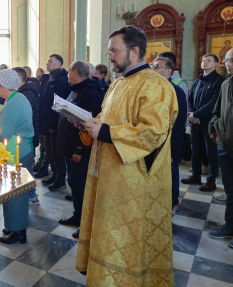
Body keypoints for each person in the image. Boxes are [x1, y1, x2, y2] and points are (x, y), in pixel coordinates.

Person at [75, 26, 178, 285]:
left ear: (134, 51)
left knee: (125, 240)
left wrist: (105, 131)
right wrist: (87, 123)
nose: (109, 56)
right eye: (109, 51)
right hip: (108, 176)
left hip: (133, 183)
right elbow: (107, 120)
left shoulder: (156, 86)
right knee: (106, 233)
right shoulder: (117, 84)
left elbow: (153, 133)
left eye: (114, 50)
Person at [0, 69, 35, 244]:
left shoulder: (13, 104)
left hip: (17, 153)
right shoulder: (17, 98)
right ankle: (14, 226)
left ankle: (18, 231)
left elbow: (3, 134)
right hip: (22, 150)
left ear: (5, 86)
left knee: (14, 192)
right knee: (15, 191)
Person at [57, 60, 103, 239]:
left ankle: (86, 223)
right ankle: (77, 215)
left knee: (82, 186)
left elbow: (90, 125)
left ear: (75, 72)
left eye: (69, 72)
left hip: (80, 149)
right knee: (74, 184)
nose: (68, 75)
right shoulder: (77, 89)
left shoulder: (91, 92)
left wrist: (79, 150)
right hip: (70, 147)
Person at [182, 53, 224, 191]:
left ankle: (211, 180)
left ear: (216, 64)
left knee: (211, 152)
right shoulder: (197, 81)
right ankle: (196, 176)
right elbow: (190, 99)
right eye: (203, 60)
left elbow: (214, 102)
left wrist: (196, 114)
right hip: (195, 121)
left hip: (209, 122)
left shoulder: (219, 81)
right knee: (196, 151)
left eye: (208, 61)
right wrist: (191, 113)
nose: (204, 63)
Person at [152, 56, 187, 208]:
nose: (153, 68)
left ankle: (172, 200)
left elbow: (179, 122)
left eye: (157, 66)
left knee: (170, 171)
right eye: (153, 65)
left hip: (170, 140)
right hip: (154, 139)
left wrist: (173, 149)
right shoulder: (153, 88)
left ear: (168, 71)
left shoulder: (176, 90)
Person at [208, 48, 233, 249]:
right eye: (226, 60)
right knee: (230, 189)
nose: (226, 64)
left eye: (230, 60)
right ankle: (229, 225)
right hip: (225, 145)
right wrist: (213, 129)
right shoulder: (225, 84)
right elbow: (216, 111)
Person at [39, 54, 71, 191]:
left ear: (58, 64)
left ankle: (60, 178)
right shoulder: (50, 78)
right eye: (48, 61)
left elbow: (59, 104)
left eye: (50, 61)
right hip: (47, 121)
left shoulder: (62, 80)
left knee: (56, 151)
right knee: (49, 150)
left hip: (55, 123)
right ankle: (54, 174)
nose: (47, 63)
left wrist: (53, 124)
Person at [12, 67, 40, 204]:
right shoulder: (21, 93)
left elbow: (25, 117)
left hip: (27, 137)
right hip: (26, 136)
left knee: (27, 168)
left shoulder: (26, 94)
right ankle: (31, 194)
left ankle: (32, 194)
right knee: (26, 167)